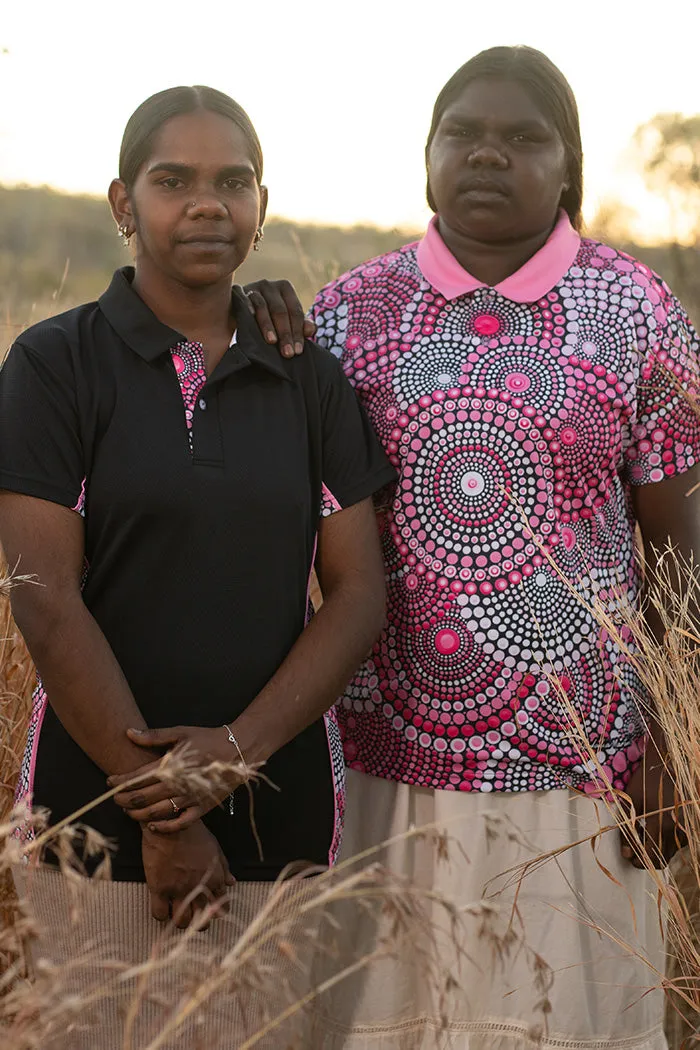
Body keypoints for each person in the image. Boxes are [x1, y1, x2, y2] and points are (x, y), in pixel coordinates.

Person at [240, 45, 700, 1050]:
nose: (488, 156)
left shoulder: (636, 310)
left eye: (522, 139)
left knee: (559, 1017)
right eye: (464, 135)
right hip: (380, 744)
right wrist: (249, 319)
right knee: (380, 1017)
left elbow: (678, 547)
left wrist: (672, 742)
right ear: (426, 158)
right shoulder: (351, 310)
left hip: (578, 755)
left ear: (567, 166)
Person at [0, 85, 395, 1049]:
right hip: (92, 822)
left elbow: (357, 595)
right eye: (173, 180)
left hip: (281, 818)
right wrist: (171, 818)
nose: (207, 203)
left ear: (261, 212)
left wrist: (233, 756)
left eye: (234, 182)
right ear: (122, 204)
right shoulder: (55, 366)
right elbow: (44, 604)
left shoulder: (309, 377)